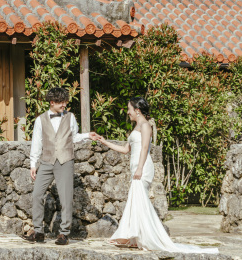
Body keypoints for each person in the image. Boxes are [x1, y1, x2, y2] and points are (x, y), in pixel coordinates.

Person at [91, 97, 218, 254]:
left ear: (137, 110)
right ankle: (134, 237)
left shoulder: (145, 126)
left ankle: (140, 237)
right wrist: (104, 142)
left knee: (139, 200)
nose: (128, 112)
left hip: (142, 167)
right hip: (136, 167)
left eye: (129, 109)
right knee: (136, 200)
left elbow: (145, 148)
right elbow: (125, 149)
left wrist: (139, 168)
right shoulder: (137, 126)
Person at [22, 86, 95, 246]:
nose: (64, 105)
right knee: (37, 194)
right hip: (46, 161)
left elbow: (74, 137)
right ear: (52, 102)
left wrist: (88, 136)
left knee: (66, 198)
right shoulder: (40, 120)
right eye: (61, 102)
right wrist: (33, 164)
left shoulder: (70, 117)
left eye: (65, 102)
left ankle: (64, 233)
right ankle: (38, 232)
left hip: (65, 160)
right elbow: (37, 142)